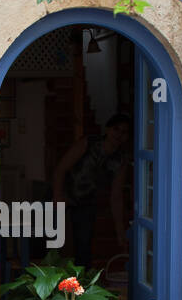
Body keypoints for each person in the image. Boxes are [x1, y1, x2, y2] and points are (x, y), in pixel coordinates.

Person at [52, 113, 131, 269]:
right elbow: (61, 169)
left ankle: (80, 288)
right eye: (116, 129)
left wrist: (120, 231)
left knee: (83, 249)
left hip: (87, 204)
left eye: (124, 132)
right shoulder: (88, 143)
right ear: (108, 129)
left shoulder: (120, 160)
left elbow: (116, 196)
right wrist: (57, 197)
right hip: (65, 197)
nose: (119, 135)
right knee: (57, 246)